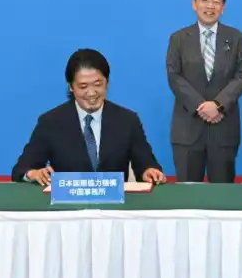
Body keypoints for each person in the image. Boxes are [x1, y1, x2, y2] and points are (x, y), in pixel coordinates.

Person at [12, 49, 167, 186]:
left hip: (114, 205)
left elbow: (146, 164)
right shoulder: (51, 122)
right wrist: (33, 174)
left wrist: (149, 172)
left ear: (107, 82)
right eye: (83, 86)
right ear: (71, 87)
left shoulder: (127, 120)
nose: (92, 93)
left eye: (98, 84)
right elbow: (22, 169)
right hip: (67, 205)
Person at [165, 0, 242, 182]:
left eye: (216, 1)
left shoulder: (238, 38)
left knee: (222, 195)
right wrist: (200, 106)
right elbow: (174, 76)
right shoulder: (178, 39)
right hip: (187, 129)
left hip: (223, 128)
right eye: (204, 0)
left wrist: (218, 105)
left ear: (223, 7)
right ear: (194, 3)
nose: (210, 6)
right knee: (187, 194)